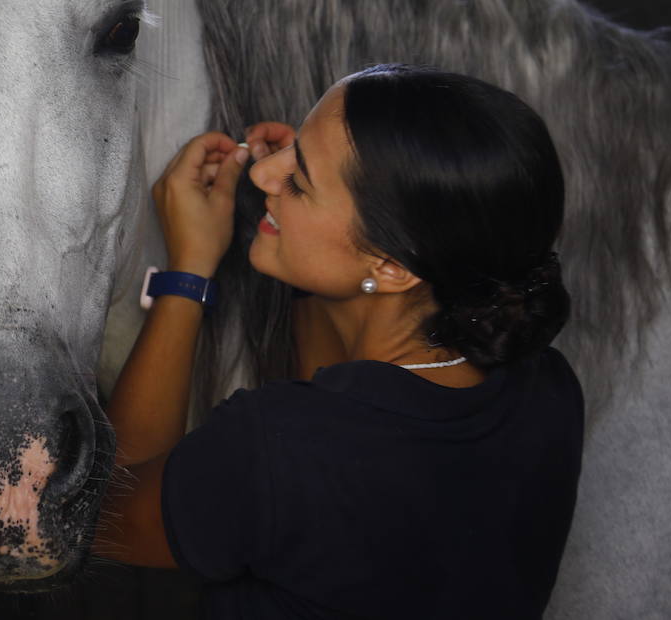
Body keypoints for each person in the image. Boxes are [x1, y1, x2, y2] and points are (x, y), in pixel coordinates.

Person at [93, 64, 584, 619]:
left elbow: (108, 517)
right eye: (293, 148)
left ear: (391, 266)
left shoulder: (272, 447)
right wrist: (304, 221)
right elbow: (344, 412)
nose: (262, 176)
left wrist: (189, 272)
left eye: (298, 181)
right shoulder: (547, 390)